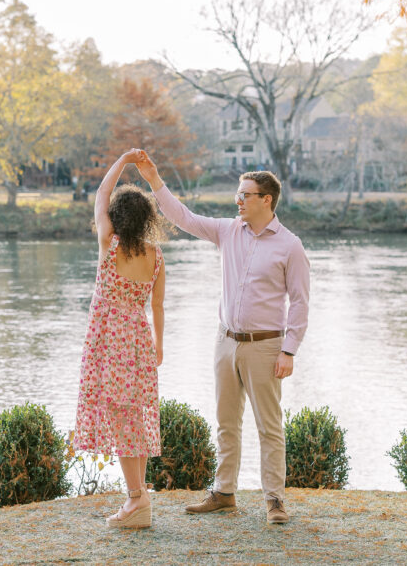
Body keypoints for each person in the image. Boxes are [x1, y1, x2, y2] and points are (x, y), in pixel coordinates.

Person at [135, 150, 309, 525]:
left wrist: (289, 350)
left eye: (244, 195)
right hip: (225, 342)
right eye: (237, 194)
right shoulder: (228, 231)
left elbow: (299, 303)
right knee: (226, 423)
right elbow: (184, 218)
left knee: (269, 427)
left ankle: (275, 500)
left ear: (266, 199)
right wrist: (154, 181)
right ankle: (224, 493)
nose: (237, 201)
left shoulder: (290, 246)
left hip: (266, 347)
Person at [72, 148, 166, 529]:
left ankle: (135, 498)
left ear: (116, 216)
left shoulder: (108, 244)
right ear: (146, 220)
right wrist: (160, 345)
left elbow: (100, 193)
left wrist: (124, 159)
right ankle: (138, 497)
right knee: (134, 416)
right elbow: (157, 306)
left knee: (123, 418)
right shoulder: (155, 256)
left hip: (109, 343)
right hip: (139, 341)